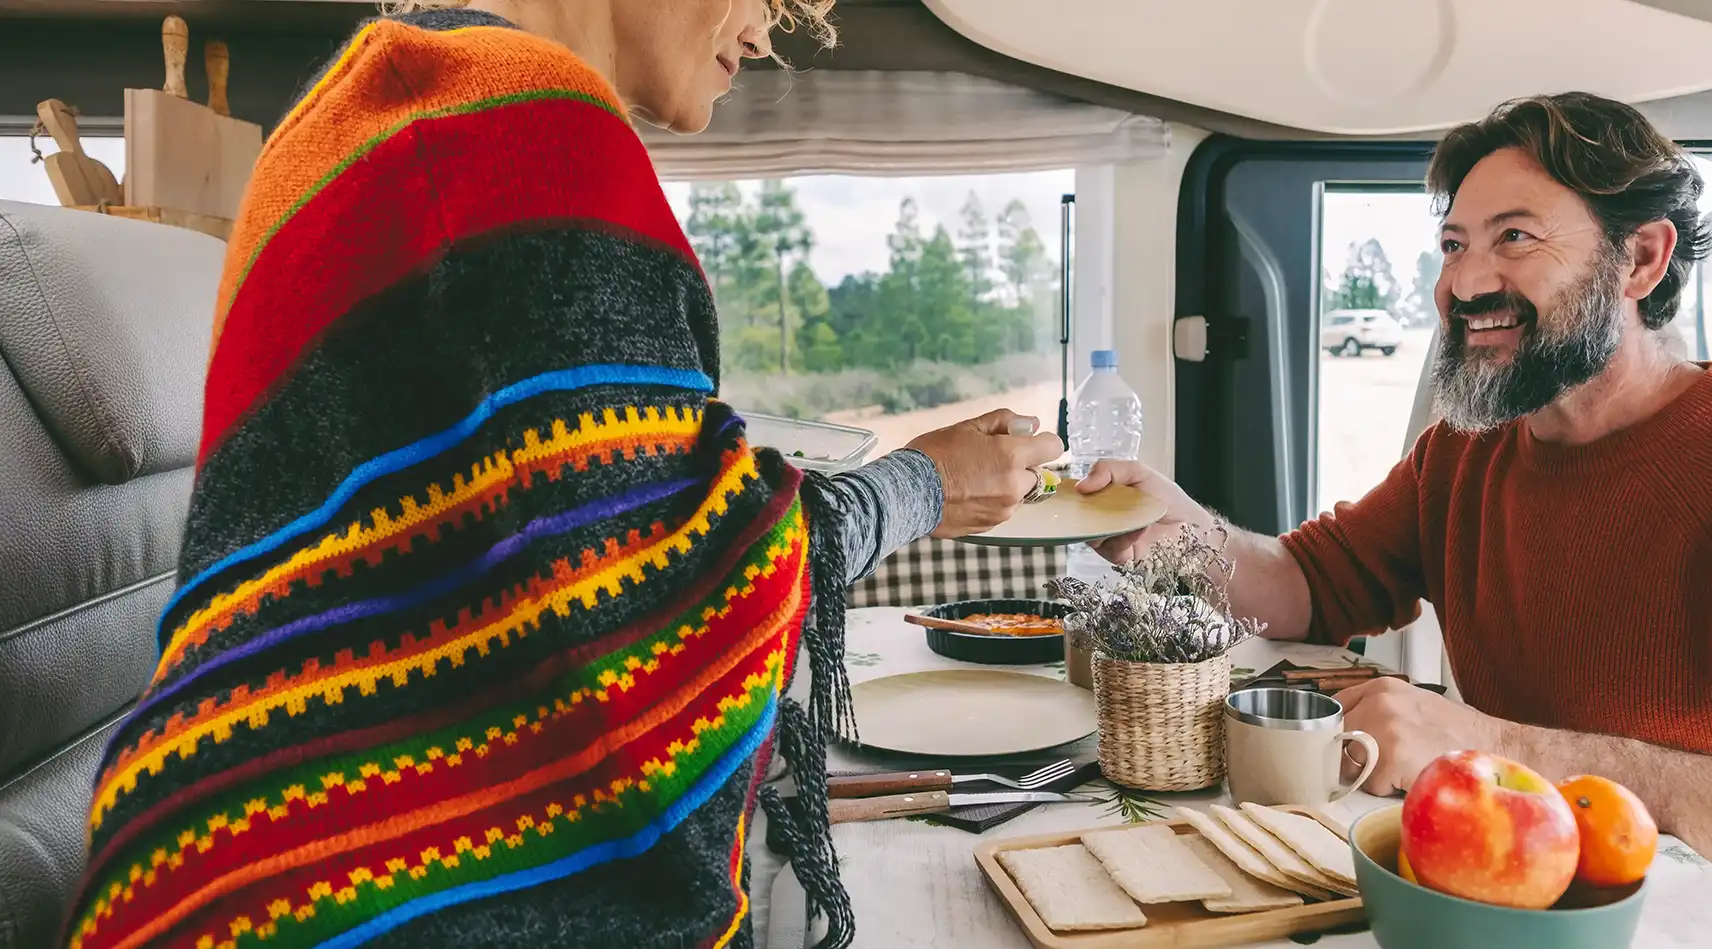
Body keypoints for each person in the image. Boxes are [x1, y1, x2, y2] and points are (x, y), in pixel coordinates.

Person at [61, 3, 1054, 949]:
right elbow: (659, 604)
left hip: (228, 865)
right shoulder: (527, 127)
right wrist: (924, 486)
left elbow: (554, 546)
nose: (761, 31)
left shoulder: (353, 115)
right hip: (367, 896)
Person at [1081, 93, 1712, 949]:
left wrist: (1500, 750)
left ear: (1641, 258)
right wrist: (1175, 524)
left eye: (1514, 237)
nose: (1465, 283)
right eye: (1454, 245)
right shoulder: (1464, 456)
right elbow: (1307, 584)